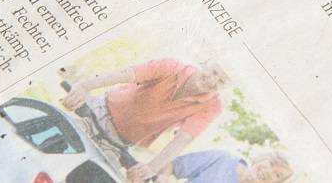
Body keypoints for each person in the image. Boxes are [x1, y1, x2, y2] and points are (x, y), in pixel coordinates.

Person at [62, 58, 230, 182]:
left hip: (118, 144)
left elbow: (183, 138)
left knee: (95, 177)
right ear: (205, 64)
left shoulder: (212, 106)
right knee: (60, 139)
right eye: (214, 72)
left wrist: (150, 167)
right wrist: (85, 86)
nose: (212, 80)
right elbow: (126, 74)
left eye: (221, 81)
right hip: (99, 113)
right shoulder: (172, 66)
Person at [156, 150, 293, 183]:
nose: (268, 172)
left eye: (277, 175)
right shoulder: (224, 158)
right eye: (271, 164)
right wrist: (162, 177)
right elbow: (174, 165)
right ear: (263, 158)